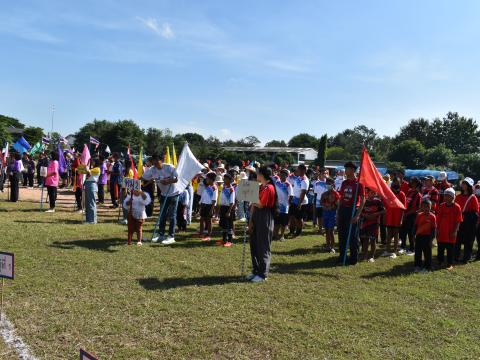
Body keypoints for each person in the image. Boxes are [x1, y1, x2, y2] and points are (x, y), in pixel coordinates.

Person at [247, 166, 276, 283]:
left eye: (258, 173)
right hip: (256, 217)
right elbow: (254, 205)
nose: (256, 175)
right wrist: (250, 221)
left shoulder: (269, 188)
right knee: (254, 245)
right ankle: (256, 271)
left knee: (263, 246)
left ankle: (263, 274)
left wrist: (250, 195)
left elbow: (261, 204)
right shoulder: (260, 187)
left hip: (265, 218)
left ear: (263, 175)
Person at [141, 154, 179, 245]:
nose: (154, 163)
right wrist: (133, 181)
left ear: (161, 160)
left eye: (156, 160)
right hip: (163, 194)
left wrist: (168, 181)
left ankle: (171, 236)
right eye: (153, 161)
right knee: (162, 215)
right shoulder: (152, 169)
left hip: (173, 194)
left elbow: (177, 178)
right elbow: (143, 177)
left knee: (172, 215)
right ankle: (161, 235)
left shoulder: (169, 167)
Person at [337, 162, 365, 265]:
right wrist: (338, 212)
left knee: (353, 236)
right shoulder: (344, 183)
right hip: (343, 210)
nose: (345, 171)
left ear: (352, 170)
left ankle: (353, 258)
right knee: (342, 235)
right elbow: (340, 198)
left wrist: (357, 215)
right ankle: (342, 256)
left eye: (347, 169)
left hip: (352, 210)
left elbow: (363, 200)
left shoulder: (359, 184)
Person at [436, 188, 462, 270]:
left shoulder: (457, 207)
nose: (446, 197)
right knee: (440, 248)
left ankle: (449, 264)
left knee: (450, 249)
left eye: (449, 196)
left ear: (453, 197)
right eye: (445, 195)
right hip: (442, 231)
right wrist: (437, 230)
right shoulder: (441, 206)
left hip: (451, 232)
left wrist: (455, 231)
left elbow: (458, 220)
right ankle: (440, 261)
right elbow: (438, 219)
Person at [454, 177, 479, 263]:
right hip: (459, 221)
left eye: (465, 183)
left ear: (469, 186)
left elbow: (476, 212)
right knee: (457, 240)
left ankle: (466, 258)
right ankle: (455, 256)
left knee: (468, 241)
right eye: (463, 183)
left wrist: (466, 215)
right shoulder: (458, 197)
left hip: (468, 223)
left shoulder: (473, 197)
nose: (463, 185)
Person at [359, 188, 385, 263]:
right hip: (365, 223)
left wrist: (375, 214)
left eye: (374, 193)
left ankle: (371, 256)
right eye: (371, 192)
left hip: (374, 223)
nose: (373, 194)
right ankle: (365, 255)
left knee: (373, 240)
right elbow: (360, 211)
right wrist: (365, 215)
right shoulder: (365, 201)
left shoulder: (378, 201)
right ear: (367, 193)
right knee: (365, 240)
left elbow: (383, 210)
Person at [383, 179, 406, 258]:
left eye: (396, 183)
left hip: (397, 217)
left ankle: (395, 251)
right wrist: (385, 217)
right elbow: (386, 206)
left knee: (396, 234)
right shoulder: (389, 194)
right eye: (393, 183)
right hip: (390, 217)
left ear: (400, 184)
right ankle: (387, 250)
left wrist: (401, 219)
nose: (395, 185)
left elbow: (403, 208)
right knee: (389, 234)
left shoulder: (402, 194)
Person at [399, 177, 422, 255]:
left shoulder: (418, 195)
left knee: (411, 233)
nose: (412, 183)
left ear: (417, 183)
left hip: (412, 216)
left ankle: (412, 249)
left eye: (414, 182)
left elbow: (417, 208)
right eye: (411, 182)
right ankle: (403, 247)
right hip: (406, 215)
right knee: (403, 231)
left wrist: (407, 213)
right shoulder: (409, 192)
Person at [414, 199, 436, 272]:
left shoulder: (433, 216)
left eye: (428, 207)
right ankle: (417, 266)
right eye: (424, 207)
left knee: (427, 253)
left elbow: (433, 229)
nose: (426, 208)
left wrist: (431, 239)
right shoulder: (419, 215)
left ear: (430, 207)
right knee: (417, 252)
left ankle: (427, 267)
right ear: (421, 207)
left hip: (427, 237)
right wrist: (413, 235)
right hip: (419, 236)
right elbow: (416, 226)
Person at [289, 164, 309, 237]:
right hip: (294, 200)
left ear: (303, 170)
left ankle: (298, 232)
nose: (297, 171)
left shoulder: (304, 180)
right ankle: (291, 231)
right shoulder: (299, 178)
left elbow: (303, 192)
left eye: (298, 169)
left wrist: (299, 203)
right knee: (292, 217)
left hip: (301, 202)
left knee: (298, 218)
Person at [320, 177, 340, 253]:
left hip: (332, 214)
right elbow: (321, 202)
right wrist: (325, 205)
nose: (328, 185)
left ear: (333, 184)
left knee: (331, 231)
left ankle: (332, 247)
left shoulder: (336, 194)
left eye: (329, 183)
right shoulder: (324, 194)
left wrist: (332, 206)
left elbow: (338, 205)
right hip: (325, 213)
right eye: (327, 183)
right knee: (327, 231)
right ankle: (327, 246)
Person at [274, 169, 293, 241]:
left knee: (283, 223)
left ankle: (282, 236)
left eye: (283, 174)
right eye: (280, 174)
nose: (281, 176)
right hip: (277, 206)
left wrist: (288, 203)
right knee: (276, 222)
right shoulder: (277, 182)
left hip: (284, 207)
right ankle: (275, 235)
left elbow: (291, 195)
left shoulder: (288, 184)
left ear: (286, 176)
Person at [199, 172, 218, 241]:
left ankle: (209, 234)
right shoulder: (207, 187)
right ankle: (201, 233)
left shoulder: (214, 188)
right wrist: (200, 203)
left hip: (210, 206)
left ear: (211, 179)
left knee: (209, 220)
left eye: (207, 179)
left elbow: (214, 199)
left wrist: (211, 209)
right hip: (204, 205)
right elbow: (203, 196)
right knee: (202, 219)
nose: (206, 180)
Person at [218, 173, 236, 247]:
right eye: (224, 179)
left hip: (228, 209)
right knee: (224, 225)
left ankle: (230, 240)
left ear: (229, 180)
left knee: (229, 225)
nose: (224, 180)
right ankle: (224, 239)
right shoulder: (224, 188)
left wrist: (229, 211)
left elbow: (232, 202)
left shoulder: (231, 190)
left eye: (225, 179)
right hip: (223, 208)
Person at [84, 158, 100, 224]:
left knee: (91, 203)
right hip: (88, 184)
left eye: (92, 161)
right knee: (87, 203)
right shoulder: (92, 169)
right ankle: (88, 219)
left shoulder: (97, 169)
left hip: (92, 185)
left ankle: (92, 220)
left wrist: (87, 165)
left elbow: (88, 172)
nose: (91, 162)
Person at [313, 168, 328, 234]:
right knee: (319, 216)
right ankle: (320, 229)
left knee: (325, 216)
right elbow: (315, 193)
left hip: (326, 202)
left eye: (325, 173)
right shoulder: (317, 182)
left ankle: (325, 229)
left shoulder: (328, 182)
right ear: (320, 174)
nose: (324, 175)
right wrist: (315, 202)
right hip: (318, 202)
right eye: (323, 173)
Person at [120, 159, 134, 225]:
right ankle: (126, 218)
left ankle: (126, 218)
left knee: (125, 204)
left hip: (125, 188)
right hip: (126, 188)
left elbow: (126, 180)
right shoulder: (128, 171)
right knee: (125, 204)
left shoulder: (128, 171)